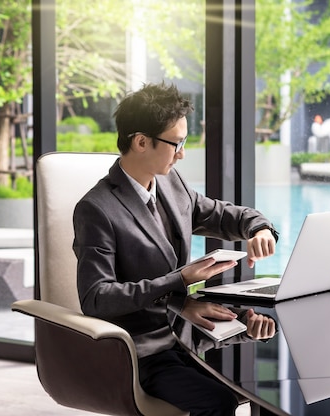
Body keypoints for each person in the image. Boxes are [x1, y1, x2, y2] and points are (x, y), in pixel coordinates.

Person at [73, 81, 278, 415]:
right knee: (220, 401)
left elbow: (221, 214)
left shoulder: (171, 182)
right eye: (176, 143)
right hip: (144, 352)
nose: (182, 153)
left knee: (266, 386)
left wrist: (258, 227)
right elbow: (97, 299)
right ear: (141, 142)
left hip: (189, 334)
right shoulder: (97, 209)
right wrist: (178, 281)